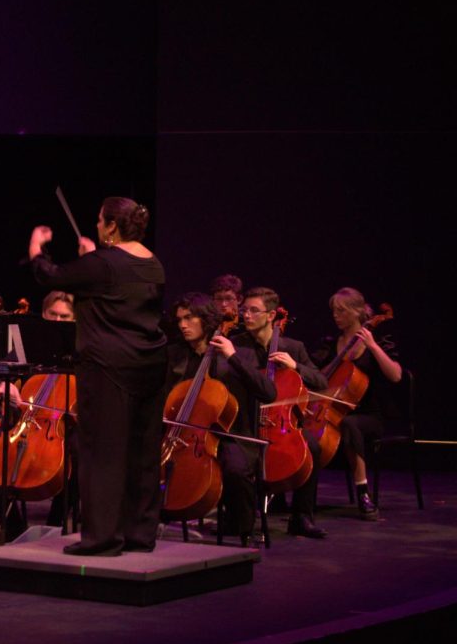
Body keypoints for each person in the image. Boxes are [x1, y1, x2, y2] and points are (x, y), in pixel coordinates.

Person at [28, 196, 167, 556]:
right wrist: (94, 255)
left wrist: (36, 248)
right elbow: (107, 278)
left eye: (100, 221)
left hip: (110, 368)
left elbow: (52, 276)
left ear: (112, 226)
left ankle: (103, 539)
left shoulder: (102, 264)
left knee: (103, 453)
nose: (96, 225)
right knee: (141, 451)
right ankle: (139, 534)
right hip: (150, 365)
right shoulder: (153, 263)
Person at [166, 292, 273, 540]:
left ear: (207, 319)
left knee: (235, 468)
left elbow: (268, 392)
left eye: (190, 318)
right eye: (179, 319)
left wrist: (232, 357)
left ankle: (241, 526)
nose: (182, 325)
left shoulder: (241, 353)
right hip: (185, 433)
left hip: (232, 435)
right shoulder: (176, 355)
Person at [230, 286, 329, 538]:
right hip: (246, 423)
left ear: (271, 315)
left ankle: (301, 516)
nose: (247, 316)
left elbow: (321, 381)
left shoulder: (293, 347)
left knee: (312, 448)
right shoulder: (235, 347)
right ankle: (240, 518)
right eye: (244, 310)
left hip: (280, 424)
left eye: (254, 311)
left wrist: (295, 366)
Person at [317, 287, 402, 521]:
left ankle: (363, 492)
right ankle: (288, 493)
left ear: (357, 312)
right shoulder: (332, 343)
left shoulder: (379, 339)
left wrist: (373, 346)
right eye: (334, 311)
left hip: (371, 416)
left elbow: (395, 375)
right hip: (338, 411)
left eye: (341, 311)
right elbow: (319, 377)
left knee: (350, 425)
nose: (336, 316)